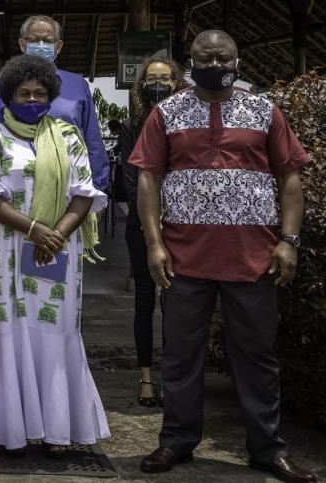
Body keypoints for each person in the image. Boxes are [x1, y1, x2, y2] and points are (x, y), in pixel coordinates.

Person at [131, 30, 317, 483]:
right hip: (183, 257)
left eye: (223, 55)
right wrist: (155, 244)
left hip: (253, 257)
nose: (214, 61)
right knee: (179, 355)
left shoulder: (263, 111)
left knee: (256, 355)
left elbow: (289, 178)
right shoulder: (167, 113)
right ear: (189, 61)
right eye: (203, 56)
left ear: (237, 59)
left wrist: (288, 241)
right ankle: (176, 440)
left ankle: (268, 449)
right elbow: (148, 181)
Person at [0, 54, 109, 457]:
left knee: (57, 331)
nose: (32, 99)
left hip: (58, 248)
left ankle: (58, 430)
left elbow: (85, 192)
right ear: (7, 97)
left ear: (51, 96)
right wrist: (34, 230)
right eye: (23, 93)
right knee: (12, 331)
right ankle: (16, 430)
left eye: (40, 93)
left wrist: (57, 234)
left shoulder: (68, 136)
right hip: (7, 250)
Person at [118, 56, 185, 408]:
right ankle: (145, 378)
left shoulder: (189, 122)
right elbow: (132, 179)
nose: (158, 84)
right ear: (141, 85)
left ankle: (175, 379)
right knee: (144, 301)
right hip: (142, 228)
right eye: (151, 78)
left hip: (182, 228)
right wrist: (150, 224)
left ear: (177, 82)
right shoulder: (134, 125)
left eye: (165, 78)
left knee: (178, 303)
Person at [0, 15, 109, 191]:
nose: (41, 45)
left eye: (47, 41)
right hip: (16, 190)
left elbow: (92, 138)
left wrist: (98, 187)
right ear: (22, 45)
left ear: (58, 47)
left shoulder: (77, 85)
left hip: (70, 187)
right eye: (34, 40)